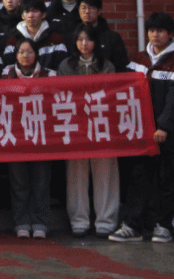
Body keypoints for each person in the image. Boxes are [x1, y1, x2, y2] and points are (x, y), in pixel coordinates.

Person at [110, 12, 174, 244]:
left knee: (166, 180)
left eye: (160, 31)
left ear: (171, 34)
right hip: (141, 133)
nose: (155, 35)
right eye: (151, 30)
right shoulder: (138, 60)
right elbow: (125, 90)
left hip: (166, 135)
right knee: (137, 179)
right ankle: (133, 226)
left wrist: (164, 126)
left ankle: (164, 226)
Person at [58, 25, 119, 238]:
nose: (84, 44)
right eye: (80, 39)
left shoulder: (107, 66)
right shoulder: (66, 66)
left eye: (88, 39)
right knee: (76, 174)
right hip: (75, 125)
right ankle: (79, 220)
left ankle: (106, 220)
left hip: (101, 125)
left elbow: (112, 94)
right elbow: (62, 94)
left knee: (105, 173)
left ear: (96, 42)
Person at [3, 39, 55, 239]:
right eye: (21, 52)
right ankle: (22, 222)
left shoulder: (50, 74)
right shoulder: (6, 73)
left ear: (36, 54)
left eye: (30, 51)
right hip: (15, 136)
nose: (25, 55)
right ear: (16, 55)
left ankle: (41, 222)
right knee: (19, 183)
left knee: (41, 183)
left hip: (42, 136)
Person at [2, 0, 68, 72]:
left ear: (43, 14)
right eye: (27, 12)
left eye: (35, 11)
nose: (31, 15)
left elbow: (61, 67)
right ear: (22, 16)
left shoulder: (55, 38)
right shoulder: (13, 39)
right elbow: (9, 67)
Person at [72, 0, 129, 73]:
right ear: (79, 11)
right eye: (83, 8)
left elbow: (121, 67)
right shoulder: (73, 35)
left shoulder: (112, 37)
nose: (87, 11)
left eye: (92, 8)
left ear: (99, 11)